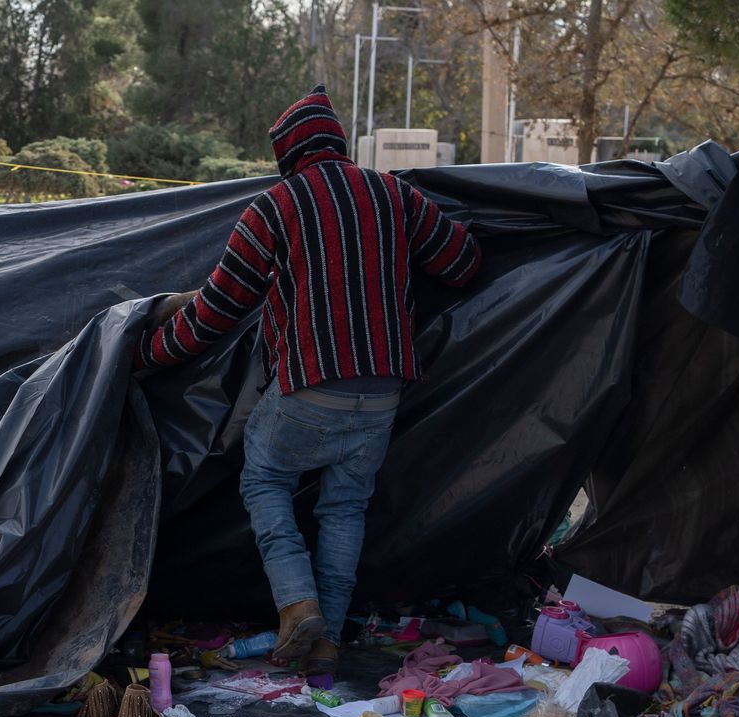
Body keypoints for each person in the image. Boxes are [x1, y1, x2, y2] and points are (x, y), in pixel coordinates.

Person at [133, 85, 482, 675]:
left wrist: (146, 352)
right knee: (345, 508)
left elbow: (217, 310)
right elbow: (464, 263)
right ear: (338, 143)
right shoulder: (394, 194)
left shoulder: (274, 207)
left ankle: (298, 607)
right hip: (383, 392)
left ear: (287, 155)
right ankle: (328, 641)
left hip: (310, 387)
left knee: (265, 480)